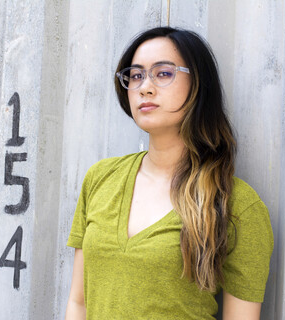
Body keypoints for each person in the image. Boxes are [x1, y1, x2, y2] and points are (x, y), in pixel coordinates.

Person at [65, 27, 273, 320]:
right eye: (136, 76)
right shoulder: (100, 179)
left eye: (163, 73)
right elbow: (79, 303)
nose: (145, 87)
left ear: (198, 84)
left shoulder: (237, 204)